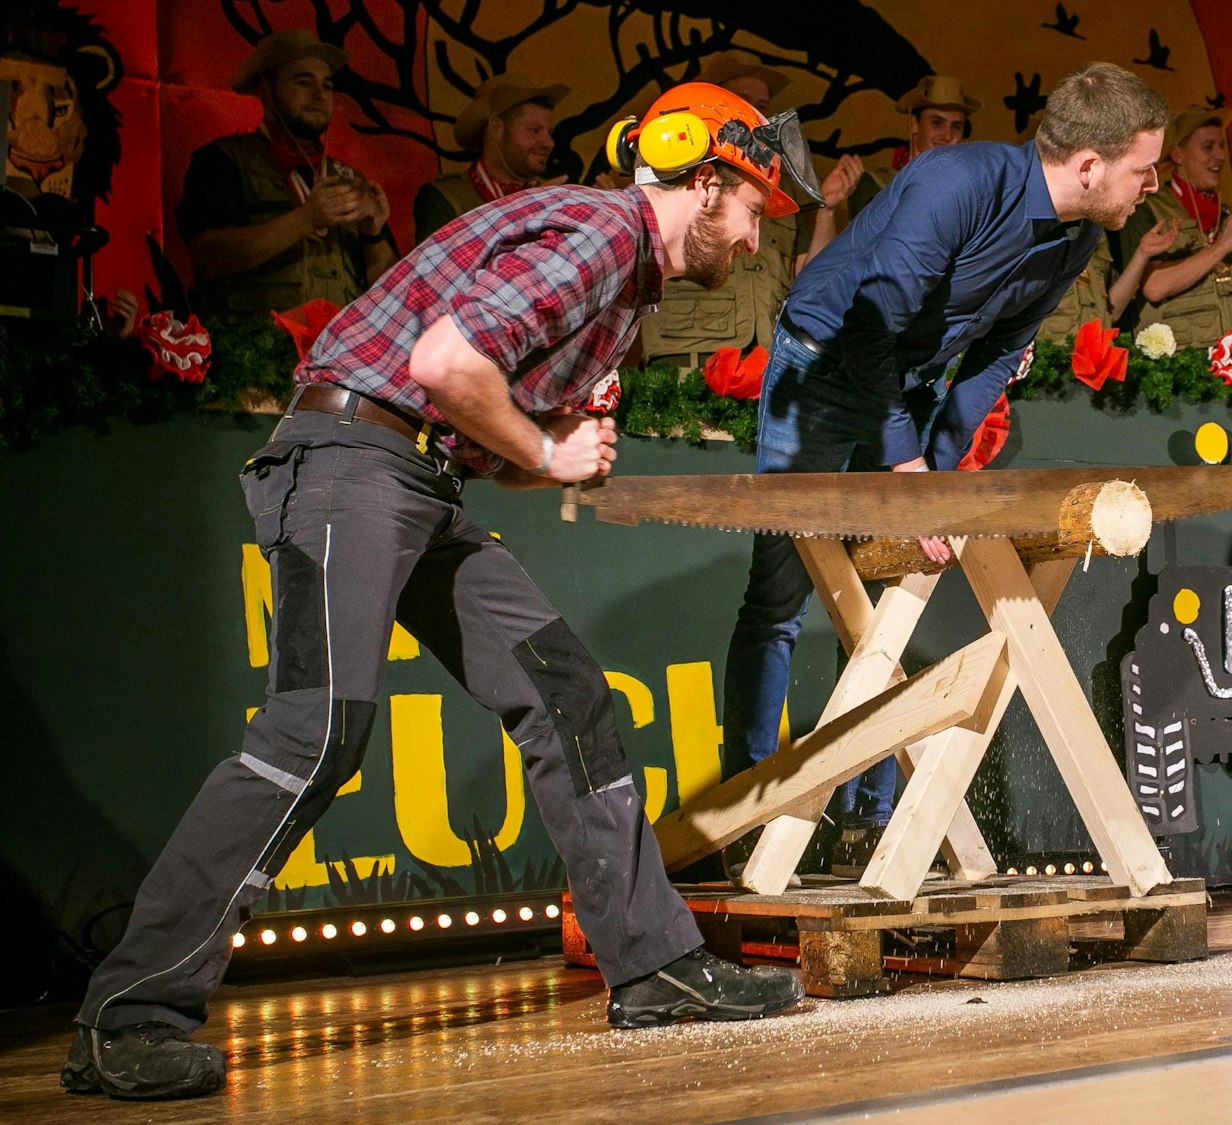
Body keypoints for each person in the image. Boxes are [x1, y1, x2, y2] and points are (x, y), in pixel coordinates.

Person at [59, 81, 817, 1102]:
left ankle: (656, 966)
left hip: (416, 477)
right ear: (711, 181)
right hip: (349, 461)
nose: (756, 242)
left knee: (567, 697)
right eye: (758, 212)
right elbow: (446, 361)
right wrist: (547, 452)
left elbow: (475, 412)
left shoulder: (625, 279)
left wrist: (541, 453)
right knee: (315, 734)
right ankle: (127, 1014)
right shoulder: (602, 230)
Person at [720, 62, 1169, 866]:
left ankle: (864, 817)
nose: (1154, 184)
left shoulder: (1083, 233)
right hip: (825, 362)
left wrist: (942, 472)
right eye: (1145, 168)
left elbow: (998, 355)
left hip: (913, 380)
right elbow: (866, 332)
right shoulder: (956, 183)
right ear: (1091, 164)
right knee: (783, 592)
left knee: (888, 592)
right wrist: (906, 468)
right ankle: (748, 810)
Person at [639, 54, 862, 367]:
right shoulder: (672, 162)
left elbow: (809, 280)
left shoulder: (778, 186)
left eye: (762, 106)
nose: (754, 113)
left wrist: (826, 207)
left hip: (765, 359)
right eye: (742, 100)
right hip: (688, 359)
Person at [179, 31, 394, 327]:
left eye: (327, 86)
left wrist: (374, 233)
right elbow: (208, 258)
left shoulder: (351, 179)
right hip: (255, 361)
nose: (319, 95)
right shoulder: (222, 160)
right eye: (303, 81)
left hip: (338, 361)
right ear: (266, 90)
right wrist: (306, 220)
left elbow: (392, 296)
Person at [1121, 105, 1232, 351]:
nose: (1220, 156)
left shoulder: (1228, 215)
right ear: (1178, 155)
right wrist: (1222, 245)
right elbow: (1154, 287)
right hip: (1181, 365)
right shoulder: (1147, 209)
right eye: (1207, 147)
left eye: (1221, 146)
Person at [412, 73, 568, 244]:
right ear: (497, 129)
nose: (549, 143)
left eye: (549, 133)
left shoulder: (553, 196)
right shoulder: (445, 197)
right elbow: (435, 269)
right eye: (534, 130)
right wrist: (526, 214)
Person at [846, 75, 979, 217]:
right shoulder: (877, 185)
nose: (947, 136)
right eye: (937, 123)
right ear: (914, 125)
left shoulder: (970, 194)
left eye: (956, 127)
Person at [1039, 216, 1179, 343]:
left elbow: (1111, 312)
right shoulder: (1035, 227)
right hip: (1050, 363)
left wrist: (1143, 253)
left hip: (1096, 360)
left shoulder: (1094, 232)